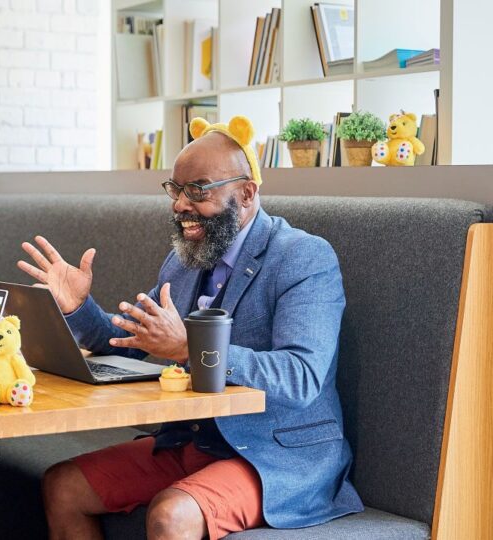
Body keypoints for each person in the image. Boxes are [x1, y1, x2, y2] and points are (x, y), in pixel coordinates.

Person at [18, 116, 362, 540]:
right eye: (175, 189)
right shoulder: (184, 260)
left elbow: (301, 377)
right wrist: (77, 307)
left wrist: (189, 348)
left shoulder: (303, 257)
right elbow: (131, 339)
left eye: (198, 189)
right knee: (64, 486)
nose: (180, 204)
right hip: (194, 440)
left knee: (171, 515)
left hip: (279, 454)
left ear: (247, 193)